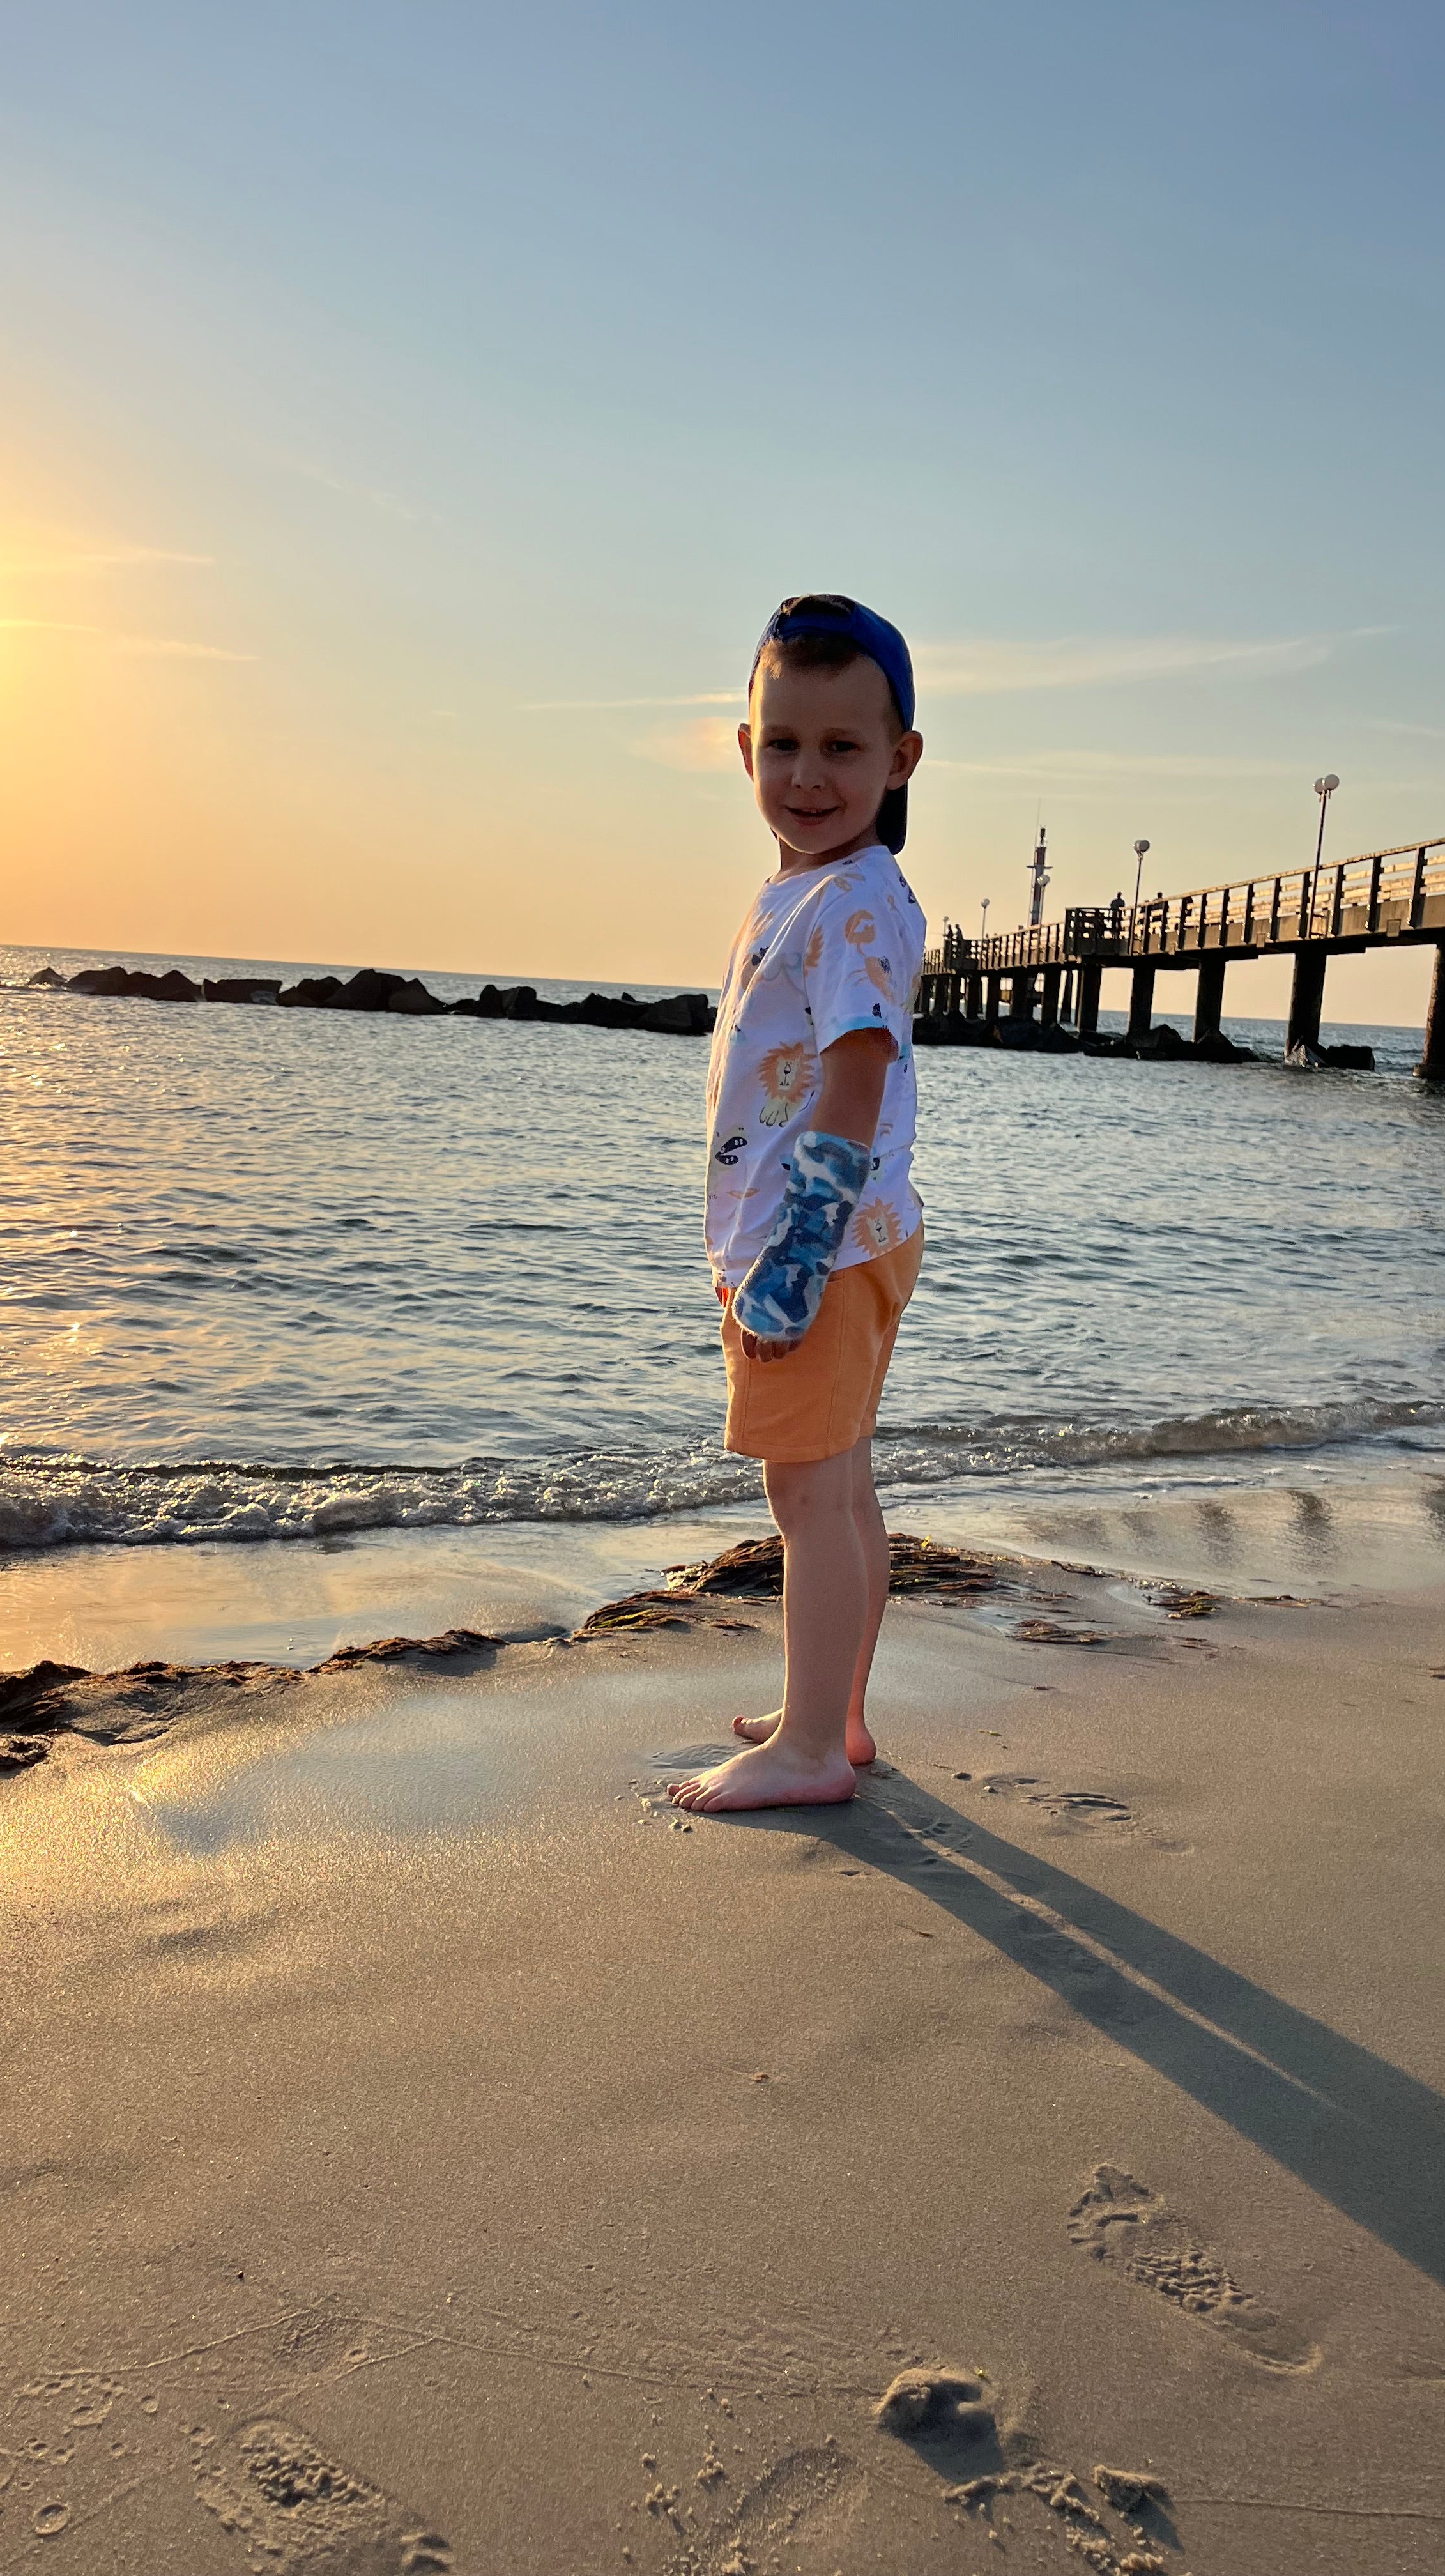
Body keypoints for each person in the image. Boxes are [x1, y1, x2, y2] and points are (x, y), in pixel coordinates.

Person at [666, 595, 927, 1815]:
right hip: (852, 1238)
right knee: (848, 1485)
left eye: (842, 749)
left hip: (815, 1250)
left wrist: (794, 1254)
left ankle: (813, 1746)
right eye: (784, 744)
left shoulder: (851, 901)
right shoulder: (815, 895)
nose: (808, 775)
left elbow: (858, 1072)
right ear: (744, 747)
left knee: (807, 1497)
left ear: (899, 760)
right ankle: (839, 1712)